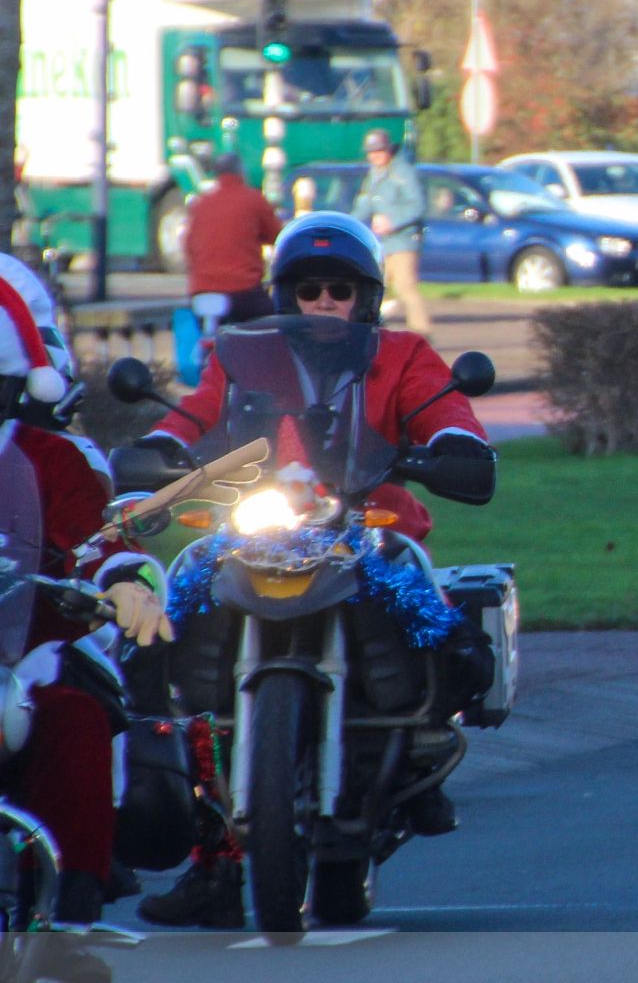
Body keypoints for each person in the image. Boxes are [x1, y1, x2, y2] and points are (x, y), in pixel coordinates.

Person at [135, 213, 495, 928]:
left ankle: (422, 755)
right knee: (171, 605)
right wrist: (158, 444)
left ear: (364, 298)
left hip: (364, 526)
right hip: (259, 524)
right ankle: (208, 850)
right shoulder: (244, 358)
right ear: (285, 297)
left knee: (435, 611)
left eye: (338, 290)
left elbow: (447, 413)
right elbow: (198, 414)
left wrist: (452, 442)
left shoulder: (402, 354)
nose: (323, 302)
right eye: (308, 290)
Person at [0, 269, 167, 943]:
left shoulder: (51, 458)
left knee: (73, 717)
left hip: (21, 659)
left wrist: (124, 581)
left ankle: (75, 903)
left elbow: (98, 543)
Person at [181, 153, 283, 324]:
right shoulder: (254, 200)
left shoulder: (201, 203)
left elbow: (189, 245)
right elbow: (277, 237)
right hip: (243, 290)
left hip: (202, 291)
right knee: (272, 326)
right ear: (241, 172)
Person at [352, 128, 430, 338]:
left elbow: (418, 205)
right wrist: (347, 225)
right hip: (383, 243)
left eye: (379, 151)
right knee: (377, 286)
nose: (374, 156)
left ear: (388, 150)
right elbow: (365, 205)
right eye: (371, 152)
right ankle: (373, 331)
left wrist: (392, 221)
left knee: (405, 285)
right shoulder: (374, 174)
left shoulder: (402, 171)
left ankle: (422, 333)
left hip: (404, 239)